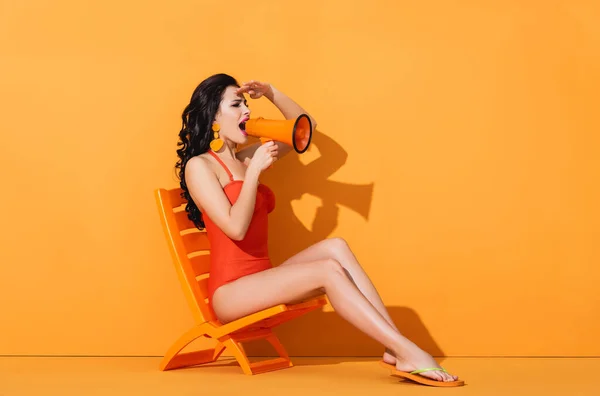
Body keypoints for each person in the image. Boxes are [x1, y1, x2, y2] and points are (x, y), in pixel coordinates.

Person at [174, 73, 462, 386]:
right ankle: (407, 351)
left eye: (245, 103)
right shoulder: (200, 166)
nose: (246, 111)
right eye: (236, 104)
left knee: (335, 247)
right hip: (231, 293)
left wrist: (271, 92)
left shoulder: (244, 158)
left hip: (260, 278)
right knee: (327, 270)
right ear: (214, 116)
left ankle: (394, 348)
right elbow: (235, 228)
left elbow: (305, 128)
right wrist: (254, 171)